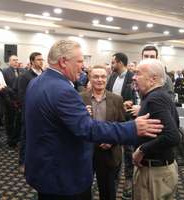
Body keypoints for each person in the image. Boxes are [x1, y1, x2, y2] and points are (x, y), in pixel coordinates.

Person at [25, 40, 163, 200]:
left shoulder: (36, 82)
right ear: (63, 61)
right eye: (80, 61)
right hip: (63, 175)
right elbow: (88, 129)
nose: (83, 66)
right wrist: (132, 128)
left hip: (44, 168)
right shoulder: (63, 90)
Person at [132, 59, 180, 200]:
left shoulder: (155, 99)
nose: (134, 77)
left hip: (155, 173)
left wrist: (142, 150)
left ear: (153, 79)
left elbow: (173, 136)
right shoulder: (157, 96)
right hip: (158, 171)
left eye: (138, 74)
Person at [81, 65, 125, 200]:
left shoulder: (117, 99)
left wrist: (112, 140)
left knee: (108, 192)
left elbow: (122, 125)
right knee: (82, 191)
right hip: (85, 152)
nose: (100, 80)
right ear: (89, 78)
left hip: (108, 153)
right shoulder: (79, 98)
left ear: (107, 78)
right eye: (95, 76)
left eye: (103, 76)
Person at [106, 52, 136, 199]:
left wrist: (130, 103)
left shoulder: (132, 77)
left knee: (129, 151)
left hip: (128, 119)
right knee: (114, 149)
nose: (111, 65)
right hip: (113, 119)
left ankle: (129, 179)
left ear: (120, 63)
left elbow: (136, 98)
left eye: (113, 62)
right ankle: (114, 176)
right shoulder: (112, 77)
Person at [17, 52, 43, 172]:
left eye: (42, 59)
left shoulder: (44, 74)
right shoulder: (25, 76)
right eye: (38, 60)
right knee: (26, 137)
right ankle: (22, 162)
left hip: (43, 112)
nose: (41, 62)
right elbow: (22, 96)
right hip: (29, 112)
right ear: (32, 61)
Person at [2, 55, 24, 149]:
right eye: (14, 60)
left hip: (20, 101)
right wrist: (10, 99)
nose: (16, 62)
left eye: (17, 60)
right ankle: (10, 141)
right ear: (9, 62)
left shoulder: (22, 71)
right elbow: (4, 87)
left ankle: (17, 139)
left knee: (19, 122)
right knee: (10, 121)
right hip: (9, 100)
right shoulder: (4, 72)